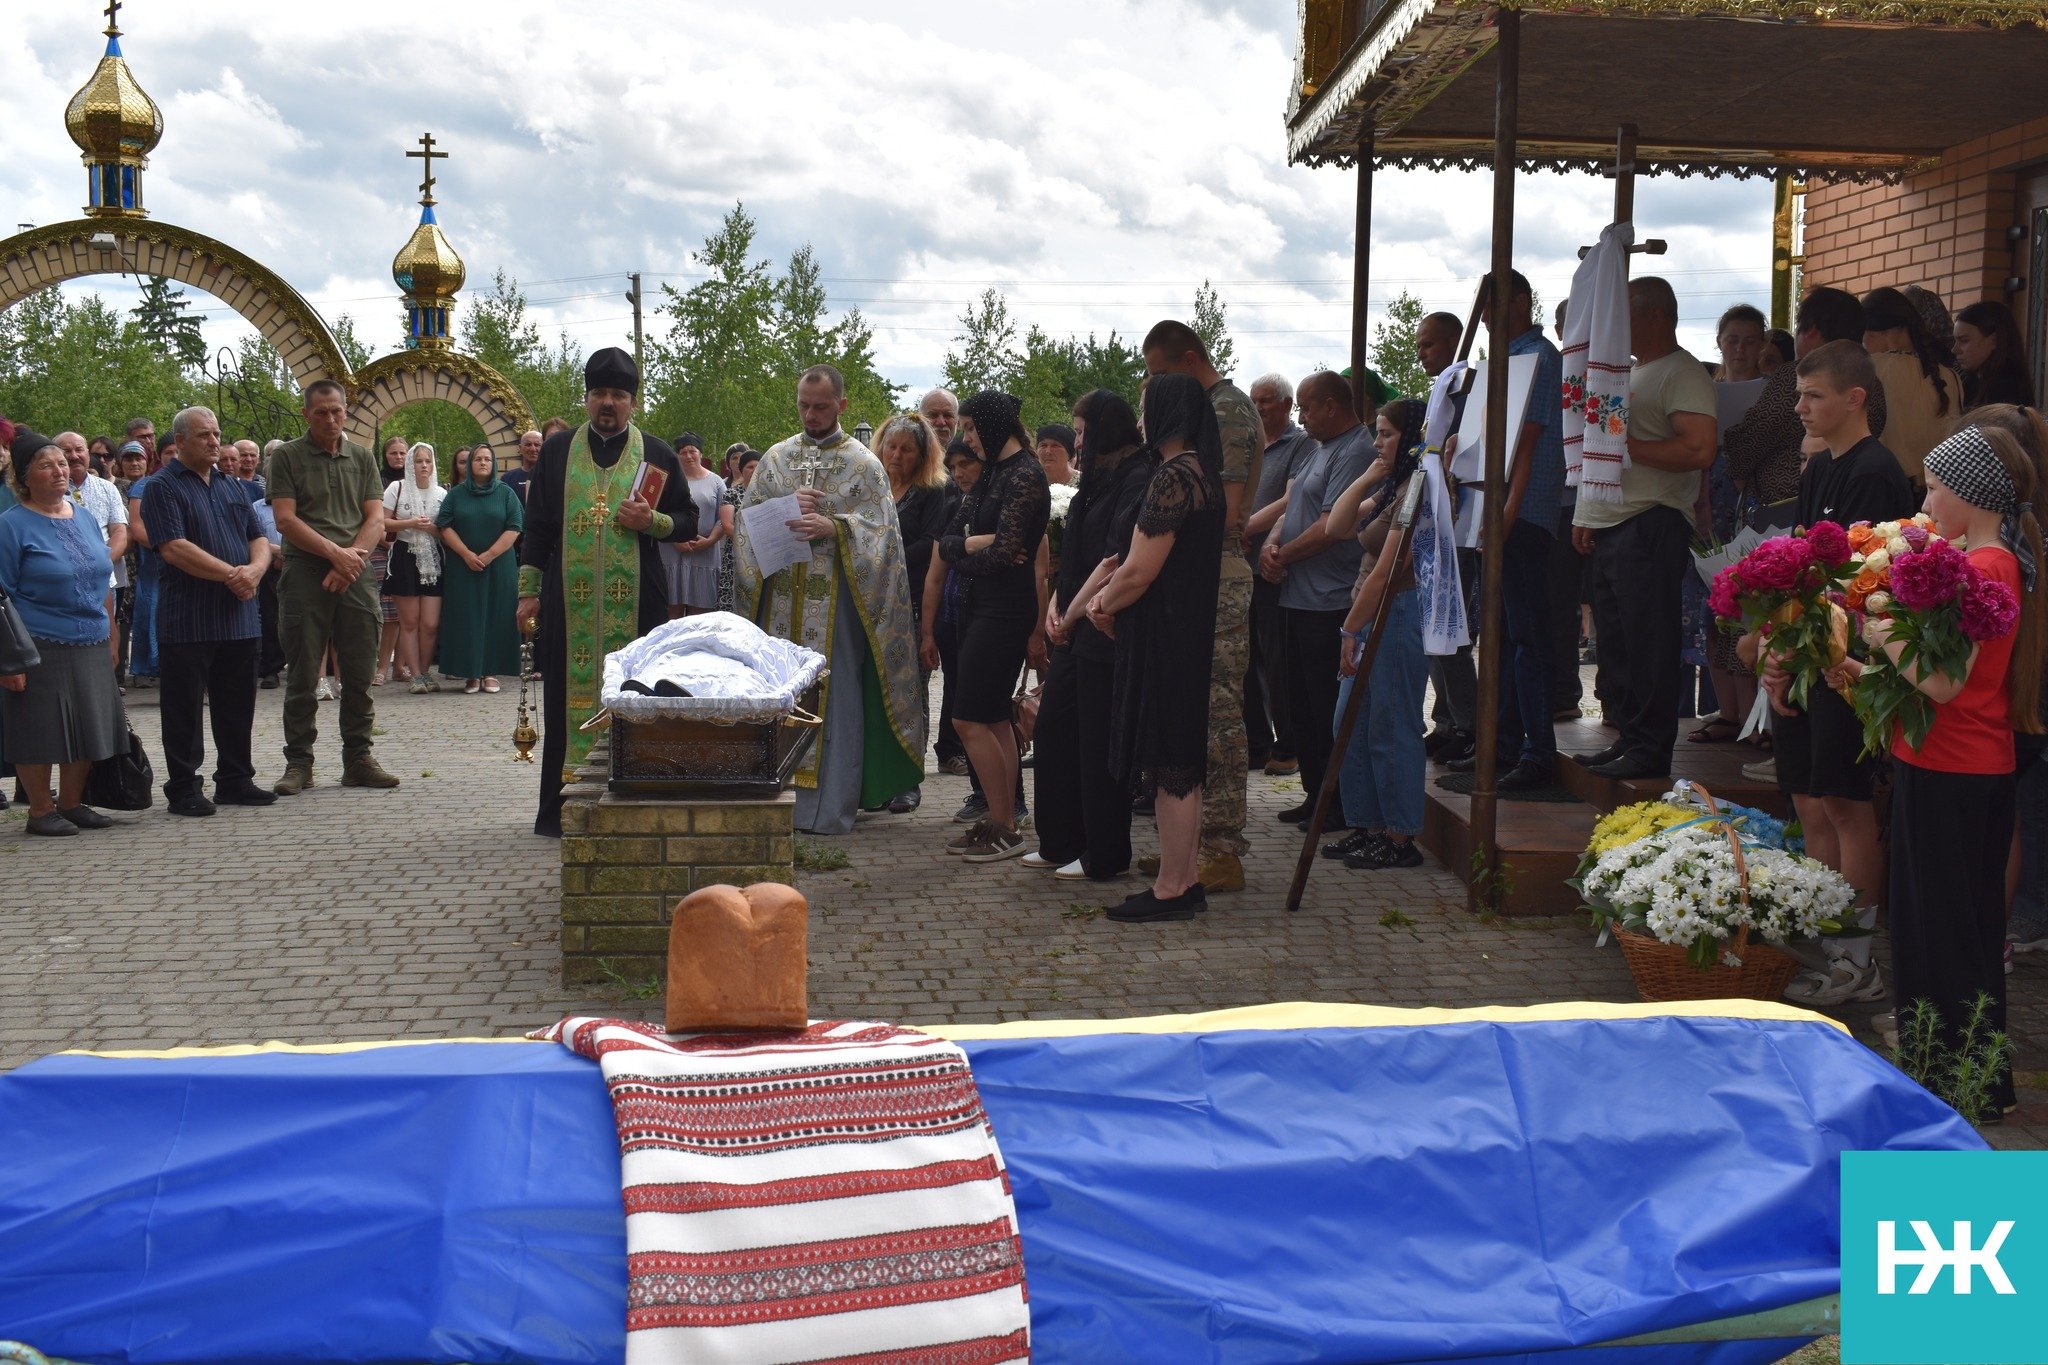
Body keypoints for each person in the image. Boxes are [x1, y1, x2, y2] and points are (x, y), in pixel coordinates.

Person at [1836, 425, 2043, 1121]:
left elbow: (1946, 684)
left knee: (1941, 932)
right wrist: (1859, 669)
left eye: (1933, 488)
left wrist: (1878, 630)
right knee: (1957, 929)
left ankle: (1954, 1079)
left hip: (1953, 769)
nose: (1924, 503)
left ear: (1971, 492)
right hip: (1960, 765)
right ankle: (1965, 1077)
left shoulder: (1985, 567)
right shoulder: (1992, 559)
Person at [1749, 342, 1914, 1005]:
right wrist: (1776, 652)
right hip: (1808, 655)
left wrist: (1807, 648)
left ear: (1855, 399)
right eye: (1798, 394)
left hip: (1849, 663)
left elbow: (1859, 584)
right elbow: (1799, 571)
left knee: (1846, 803)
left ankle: (1857, 958)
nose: (1799, 407)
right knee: (1810, 799)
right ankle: (1825, 939)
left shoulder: (1875, 472)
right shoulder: (1819, 467)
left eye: (1812, 395)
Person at [735, 363, 924, 837]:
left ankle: (829, 809)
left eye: (820, 406)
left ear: (841, 404)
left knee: (835, 698)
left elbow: (883, 536)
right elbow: (745, 526)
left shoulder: (864, 464)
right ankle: (777, 802)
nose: (811, 415)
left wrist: (835, 527)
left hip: (839, 605)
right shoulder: (776, 459)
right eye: (804, 405)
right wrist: (782, 511)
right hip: (780, 602)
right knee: (781, 695)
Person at [517, 348, 698, 836]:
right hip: (567, 602)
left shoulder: (657, 454)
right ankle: (561, 811)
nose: (608, 403)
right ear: (586, 398)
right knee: (564, 697)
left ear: (633, 402)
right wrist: (528, 592)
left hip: (639, 603)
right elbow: (537, 526)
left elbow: (688, 520)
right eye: (599, 393)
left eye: (618, 394)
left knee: (638, 692)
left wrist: (651, 520)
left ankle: (633, 800)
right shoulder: (557, 451)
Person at [1084, 374, 1224, 921]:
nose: (1141, 419)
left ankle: (1171, 889)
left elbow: (1140, 569)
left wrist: (1101, 604)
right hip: (1185, 632)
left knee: (1171, 765)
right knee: (1182, 765)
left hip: (1166, 635)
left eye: (1147, 407)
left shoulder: (1173, 477)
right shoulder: (1202, 471)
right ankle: (1185, 879)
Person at [1570, 277, 1717, 779]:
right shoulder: (1630, 372)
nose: (1614, 326)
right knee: (1617, 644)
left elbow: (1699, 449)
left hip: (1652, 519)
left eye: (1624, 314)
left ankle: (1651, 749)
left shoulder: (1683, 371)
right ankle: (1630, 737)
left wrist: (1625, 448)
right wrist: (1587, 513)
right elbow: (1596, 452)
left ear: (1655, 314)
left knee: (1648, 639)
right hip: (1612, 521)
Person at [1143, 320, 1260, 892]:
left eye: (1159, 373)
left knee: (1216, 717)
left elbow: (1227, 511)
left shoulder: (1228, 410)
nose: (1153, 386)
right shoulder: (1208, 408)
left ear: (1189, 360)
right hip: (1197, 577)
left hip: (1218, 578)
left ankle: (1219, 849)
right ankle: (1184, 853)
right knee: (1191, 716)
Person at [1446, 271, 1564, 791]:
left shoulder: (1538, 357)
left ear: (1520, 301)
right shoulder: (1499, 361)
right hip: (1487, 511)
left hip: (1522, 513)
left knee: (1527, 636)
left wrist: (1508, 514)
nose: (1487, 318)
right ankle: (1502, 742)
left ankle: (1538, 751)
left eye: (1492, 305)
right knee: (1496, 634)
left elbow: (1528, 440)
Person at [916, 389, 1045, 860]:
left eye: (970, 428)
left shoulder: (1025, 473)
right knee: (991, 718)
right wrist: (972, 545)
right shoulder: (994, 472)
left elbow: (1006, 554)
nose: (966, 437)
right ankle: (1003, 822)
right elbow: (952, 540)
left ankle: (1005, 823)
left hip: (1005, 609)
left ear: (992, 425)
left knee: (966, 717)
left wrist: (967, 551)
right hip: (980, 605)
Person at [1032, 389, 1151, 881]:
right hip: (1075, 620)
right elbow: (1076, 557)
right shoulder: (1098, 480)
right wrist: (1056, 605)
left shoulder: (1138, 478)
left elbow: (1113, 560)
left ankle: (1104, 852)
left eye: (1082, 432)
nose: (1077, 442)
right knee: (1054, 731)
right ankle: (1060, 841)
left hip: (1105, 624)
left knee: (1097, 742)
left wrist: (1070, 615)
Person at [267, 379, 399, 796]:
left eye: (337, 410)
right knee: (303, 672)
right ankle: (299, 763)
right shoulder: (287, 456)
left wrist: (349, 562)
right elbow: (285, 520)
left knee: (359, 671)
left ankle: (358, 760)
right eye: (321, 412)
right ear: (306, 414)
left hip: (355, 573)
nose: (330, 419)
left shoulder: (361, 457)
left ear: (346, 411)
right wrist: (335, 555)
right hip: (305, 572)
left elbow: (375, 519)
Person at [141, 407, 275, 816]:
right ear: (180, 441)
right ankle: (184, 788)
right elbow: (173, 547)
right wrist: (233, 575)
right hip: (189, 617)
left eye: (217, 433)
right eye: (204, 435)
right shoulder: (161, 486)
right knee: (183, 708)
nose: (214, 442)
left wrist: (254, 571)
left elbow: (258, 538)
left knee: (237, 704)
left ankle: (235, 780)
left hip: (238, 615)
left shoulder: (231, 485)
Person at [1259, 369, 1377, 826]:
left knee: (1325, 706)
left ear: (1332, 406)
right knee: (1300, 706)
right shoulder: (1319, 447)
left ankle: (1338, 802)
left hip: (1329, 600)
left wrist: (1284, 555)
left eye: (1307, 408)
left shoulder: (1356, 450)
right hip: (1296, 596)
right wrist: (1272, 544)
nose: (1302, 417)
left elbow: (1332, 526)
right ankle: (1315, 795)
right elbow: (1293, 506)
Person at [0, 431, 127, 836]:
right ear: (24, 478)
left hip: (92, 637)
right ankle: (40, 810)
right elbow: (1, 595)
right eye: (46, 465)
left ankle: (71, 803)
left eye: (61, 463)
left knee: (89, 722)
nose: (59, 471)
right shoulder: (10, 525)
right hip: (38, 642)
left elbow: (102, 576)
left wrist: (111, 633)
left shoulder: (83, 516)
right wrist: (7, 660)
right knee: (37, 727)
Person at [1324, 398, 1430, 870]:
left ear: (1411, 437)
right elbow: (1337, 525)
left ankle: (1400, 836)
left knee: (1390, 724)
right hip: (1370, 614)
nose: (1376, 442)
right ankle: (1368, 825)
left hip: (1396, 613)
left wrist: (1350, 627)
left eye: (1386, 433)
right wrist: (1368, 476)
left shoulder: (1421, 488)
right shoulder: (1395, 484)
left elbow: (1388, 571)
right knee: (1352, 722)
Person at [1694, 304, 1771, 745]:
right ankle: (1727, 710)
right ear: (1719, 342)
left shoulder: (1773, 391)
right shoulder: (1705, 389)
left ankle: (1753, 715)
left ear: (1762, 344)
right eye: (1732, 340)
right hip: (1710, 496)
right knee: (1711, 608)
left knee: (1748, 607)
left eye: (1749, 340)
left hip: (1753, 501)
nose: (1740, 348)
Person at [1412, 311, 1482, 759]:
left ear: (1455, 340)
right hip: (1436, 524)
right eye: (1418, 346)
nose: (1421, 354)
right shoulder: (1442, 390)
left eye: (1428, 345)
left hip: (1462, 523)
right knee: (1431, 627)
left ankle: (1468, 724)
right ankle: (1447, 719)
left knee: (1449, 628)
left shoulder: (1470, 389)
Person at [879, 412, 952, 815]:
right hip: (874, 600)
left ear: (921, 455)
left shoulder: (933, 490)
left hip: (914, 599)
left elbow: (931, 543)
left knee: (911, 690)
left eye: (906, 449)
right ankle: (880, 780)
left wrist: (885, 559)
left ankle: (909, 780)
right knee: (877, 690)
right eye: (891, 446)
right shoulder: (873, 486)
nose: (896, 455)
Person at [1245, 372, 1315, 776]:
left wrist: (1242, 528)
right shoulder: (1250, 443)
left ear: (1288, 405)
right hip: (1243, 564)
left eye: (1266, 400)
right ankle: (1257, 743)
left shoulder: (1300, 444)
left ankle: (1288, 747)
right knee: (1245, 658)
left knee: (1277, 659)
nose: (1258, 408)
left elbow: (1291, 500)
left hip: (1273, 565)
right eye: (1254, 400)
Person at [434, 442, 523, 694]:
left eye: (487, 459)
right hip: (464, 566)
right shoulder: (456, 494)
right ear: (470, 464)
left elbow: (515, 527)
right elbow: (444, 525)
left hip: (499, 565)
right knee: (467, 616)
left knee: (497, 614)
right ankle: (471, 673)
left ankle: (491, 672)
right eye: (478, 459)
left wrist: (489, 555)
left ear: (493, 464)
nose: (483, 462)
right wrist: (466, 554)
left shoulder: (506, 493)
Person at [1861, 286, 1962, 489]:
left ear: (1885, 334)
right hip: (1936, 491)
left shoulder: (1871, 369)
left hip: (1885, 488)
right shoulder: (1949, 376)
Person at [930, 438, 981, 780]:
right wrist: (927, 630)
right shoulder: (952, 507)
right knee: (954, 683)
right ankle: (949, 750)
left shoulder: (1004, 503)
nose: (959, 473)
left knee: (975, 693)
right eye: (953, 467)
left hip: (986, 611)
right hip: (951, 610)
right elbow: (936, 574)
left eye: (966, 464)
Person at [383, 442, 446, 695]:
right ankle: (416, 675)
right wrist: (410, 522)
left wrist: (431, 528)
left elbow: (446, 530)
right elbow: (382, 522)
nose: (424, 466)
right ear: (411, 464)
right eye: (419, 461)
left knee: (430, 623)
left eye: (428, 461)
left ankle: (426, 670)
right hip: (404, 555)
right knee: (409, 621)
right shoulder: (397, 488)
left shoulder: (441, 493)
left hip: (432, 557)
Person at [58, 431, 128, 647]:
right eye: (66, 451)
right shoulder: (52, 491)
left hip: (104, 579)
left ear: (87, 454)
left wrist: (100, 563)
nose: (74, 456)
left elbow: (120, 532)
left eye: (79, 450)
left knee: (105, 640)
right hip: (64, 580)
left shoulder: (107, 488)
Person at [659, 432, 730, 617]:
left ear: (700, 454)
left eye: (692, 451)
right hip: (672, 552)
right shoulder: (668, 481)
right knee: (671, 615)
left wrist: (710, 540)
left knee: (700, 618)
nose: (688, 456)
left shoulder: (716, 482)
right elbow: (658, 512)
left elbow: (724, 517)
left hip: (704, 553)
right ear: (677, 456)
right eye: (683, 452)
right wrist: (675, 540)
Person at [370, 435, 408, 688]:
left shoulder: (414, 482)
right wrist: (388, 542)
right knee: (388, 611)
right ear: (385, 455)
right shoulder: (377, 480)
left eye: (402, 453)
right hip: (381, 548)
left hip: (407, 549)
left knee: (407, 611)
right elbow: (374, 517)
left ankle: (400, 667)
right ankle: (381, 667)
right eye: (393, 453)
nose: (398, 457)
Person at [1953, 300, 2034, 410]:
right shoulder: (1969, 379)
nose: (1954, 349)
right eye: (1955, 341)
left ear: (1995, 340)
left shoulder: (2005, 389)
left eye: (1963, 340)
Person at [717, 448, 758, 612]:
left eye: (758, 467)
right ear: (741, 470)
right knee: (733, 599)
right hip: (736, 553)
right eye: (750, 467)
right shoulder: (732, 493)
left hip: (761, 554)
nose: (754, 470)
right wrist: (750, 541)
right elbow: (727, 526)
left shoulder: (768, 494)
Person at [501, 429, 542, 506]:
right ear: (520, 448)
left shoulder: (549, 477)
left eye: (537, 445)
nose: (533, 449)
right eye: (528, 445)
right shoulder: (507, 478)